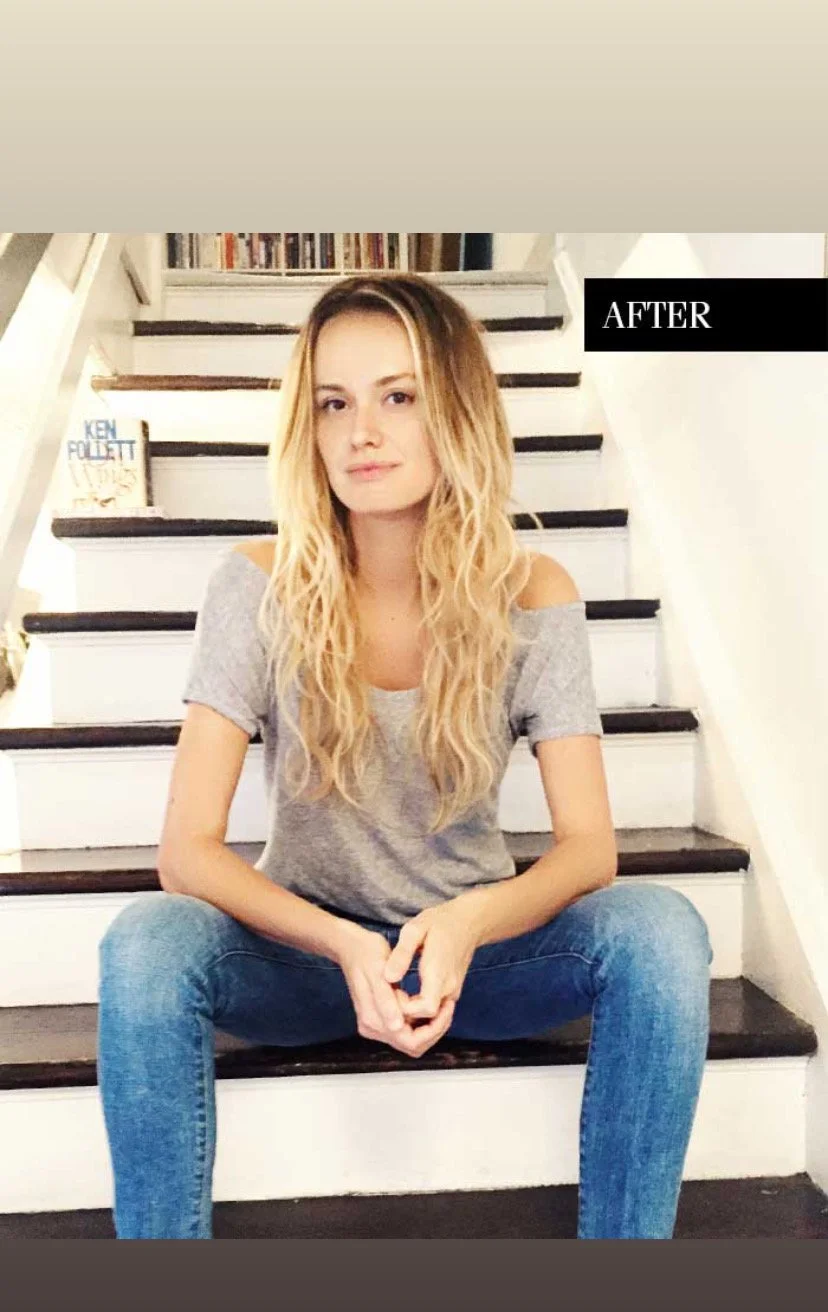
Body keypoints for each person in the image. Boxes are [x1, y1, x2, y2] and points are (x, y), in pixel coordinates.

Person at [97, 271, 713, 1239]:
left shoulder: (534, 592)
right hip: (305, 955)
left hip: (475, 952)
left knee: (663, 932)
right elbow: (187, 850)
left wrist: (469, 921)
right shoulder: (254, 584)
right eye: (334, 403)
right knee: (142, 945)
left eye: (398, 396)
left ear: (455, 411)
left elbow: (589, 848)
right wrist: (342, 942)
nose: (360, 432)